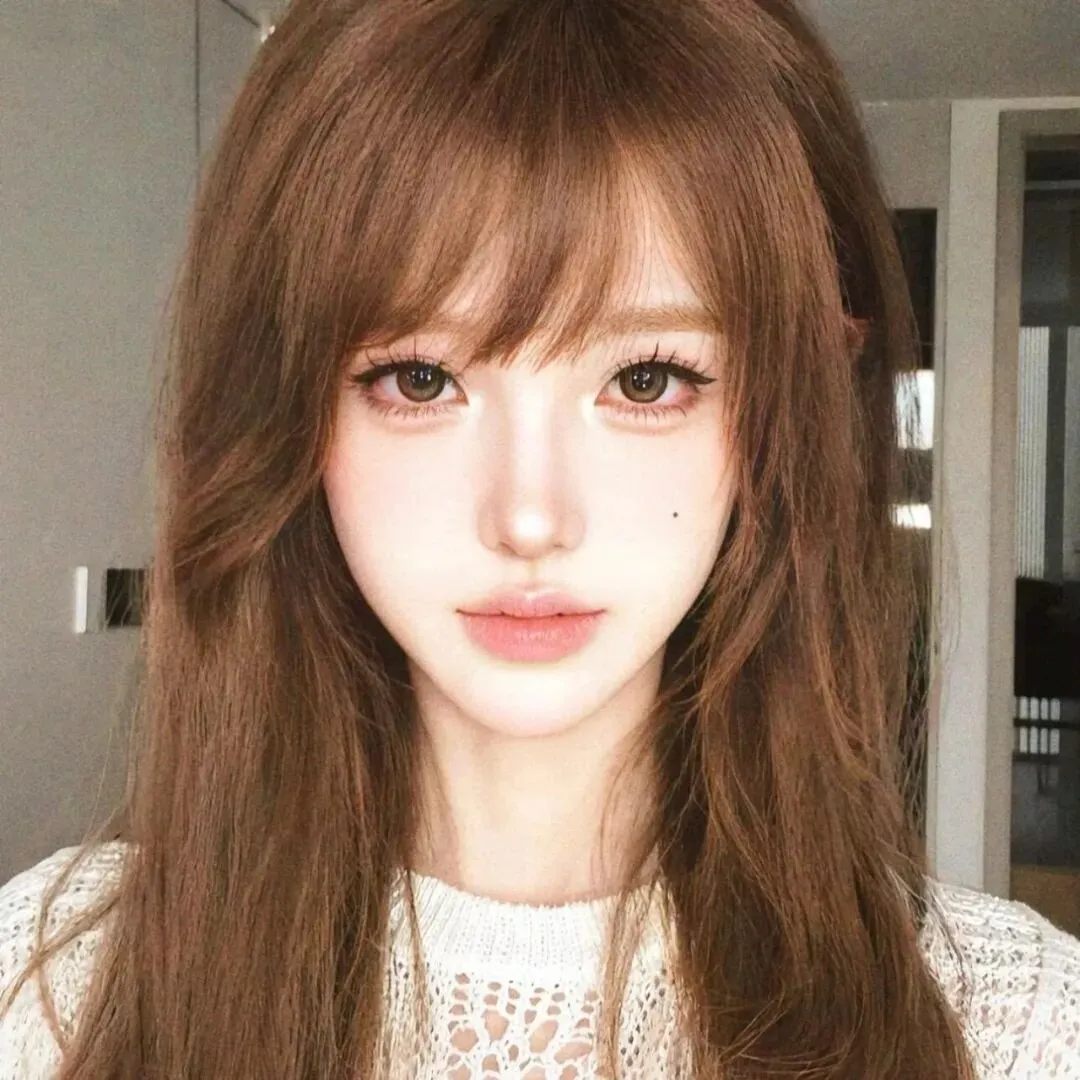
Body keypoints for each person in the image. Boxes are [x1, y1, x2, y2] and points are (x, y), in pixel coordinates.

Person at [2, 0, 1079, 1076]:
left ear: (784, 414)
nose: (529, 517)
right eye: (419, 379)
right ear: (282, 412)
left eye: (646, 380)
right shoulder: (51, 991)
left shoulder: (1013, 1028)